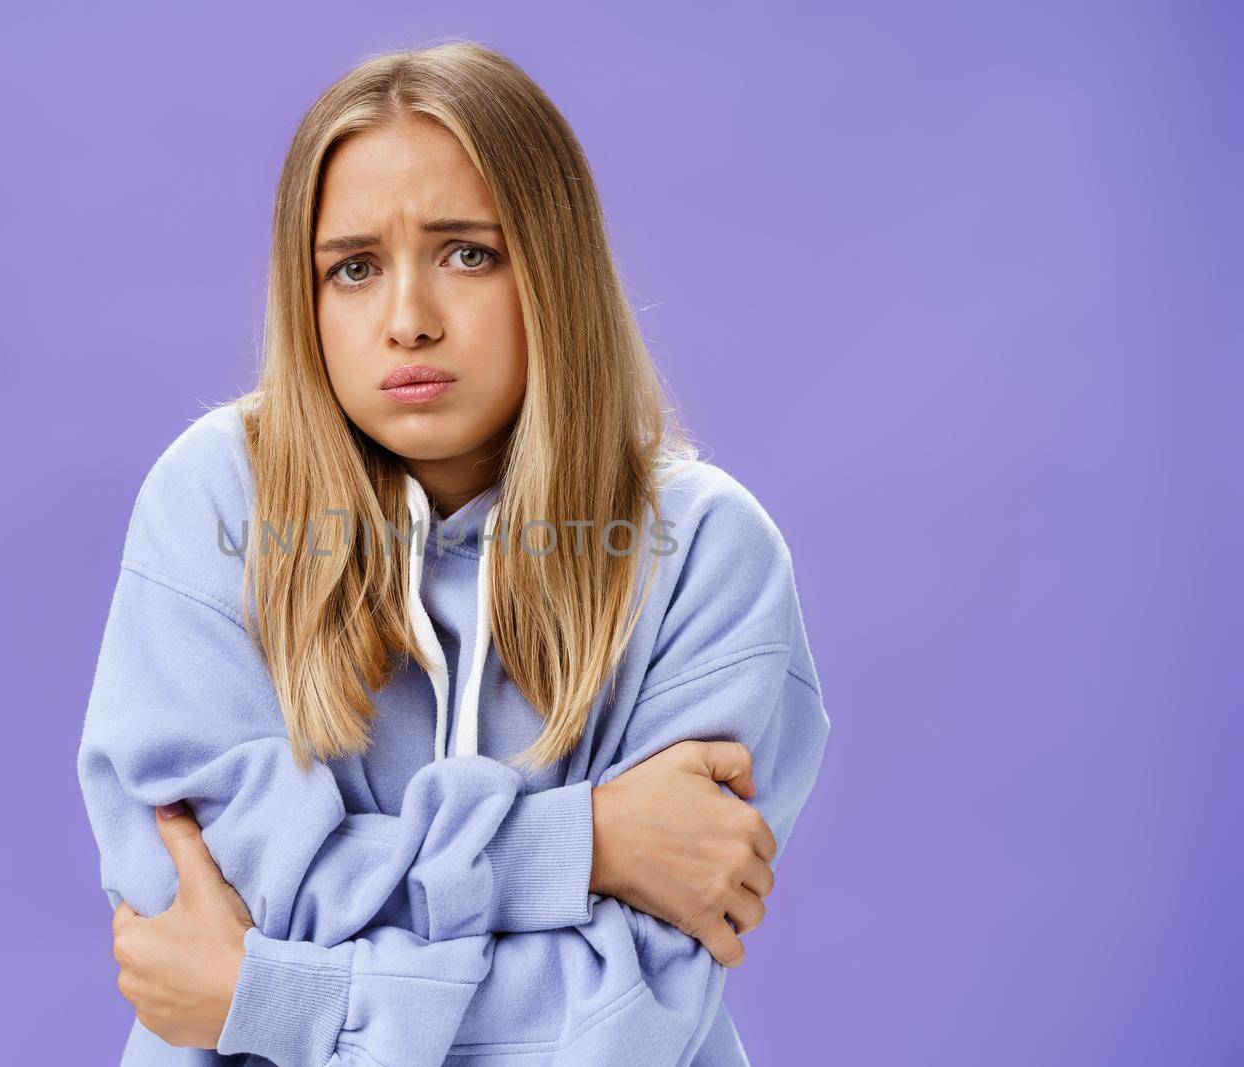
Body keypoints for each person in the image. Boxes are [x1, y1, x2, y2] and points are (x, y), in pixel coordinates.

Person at [76, 39, 830, 1066]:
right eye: (352, 268)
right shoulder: (216, 502)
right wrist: (588, 842)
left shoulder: (704, 552)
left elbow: (622, 1025)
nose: (408, 321)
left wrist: (268, 997)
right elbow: (195, 901)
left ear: (551, 268)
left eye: (466, 252)